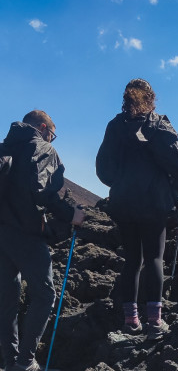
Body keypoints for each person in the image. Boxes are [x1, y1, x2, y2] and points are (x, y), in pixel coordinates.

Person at [96, 79, 178, 340]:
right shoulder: (158, 124)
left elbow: (103, 169)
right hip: (154, 203)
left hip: (123, 203)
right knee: (155, 257)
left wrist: (121, 185)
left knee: (132, 260)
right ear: (151, 99)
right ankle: (155, 322)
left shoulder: (115, 126)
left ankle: (131, 321)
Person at [0, 110, 85, 371]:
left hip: (2, 234)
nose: (52, 139)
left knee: (7, 299)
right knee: (45, 294)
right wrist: (71, 215)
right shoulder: (42, 147)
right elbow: (41, 191)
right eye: (52, 134)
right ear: (44, 127)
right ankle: (25, 361)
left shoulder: (5, 146)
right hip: (26, 233)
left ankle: (11, 360)